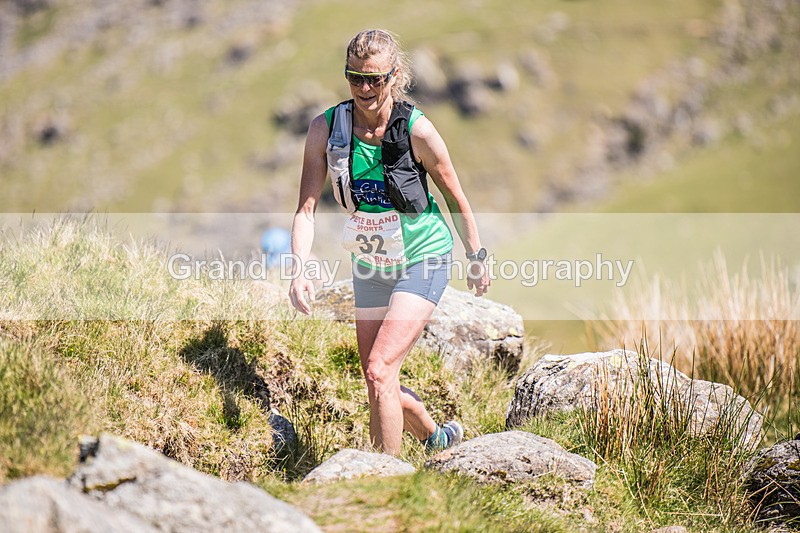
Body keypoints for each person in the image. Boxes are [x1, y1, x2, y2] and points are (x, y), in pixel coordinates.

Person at [288, 29, 490, 456]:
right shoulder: (324, 130)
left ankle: (385, 481)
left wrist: (476, 256)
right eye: (355, 77)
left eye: (375, 79)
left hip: (424, 256)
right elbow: (305, 209)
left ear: (394, 77)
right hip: (371, 265)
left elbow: (455, 197)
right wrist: (299, 267)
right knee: (378, 378)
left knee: (379, 370)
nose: (364, 88)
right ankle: (438, 438)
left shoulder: (418, 131)